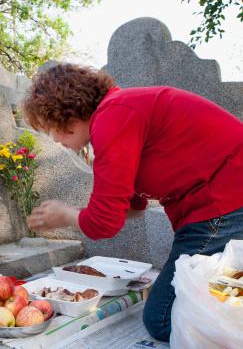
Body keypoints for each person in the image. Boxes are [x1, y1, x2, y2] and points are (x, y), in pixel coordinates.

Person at [22, 63, 243, 342]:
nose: (54, 139)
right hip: (220, 205)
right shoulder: (121, 112)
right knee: (204, 290)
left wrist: (66, 215)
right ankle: (236, 295)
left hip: (222, 204)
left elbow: (104, 223)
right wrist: (83, 213)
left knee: (162, 318)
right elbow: (132, 207)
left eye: (51, 127)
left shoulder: (113, 115)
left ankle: (236, 304)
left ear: (68, 112)